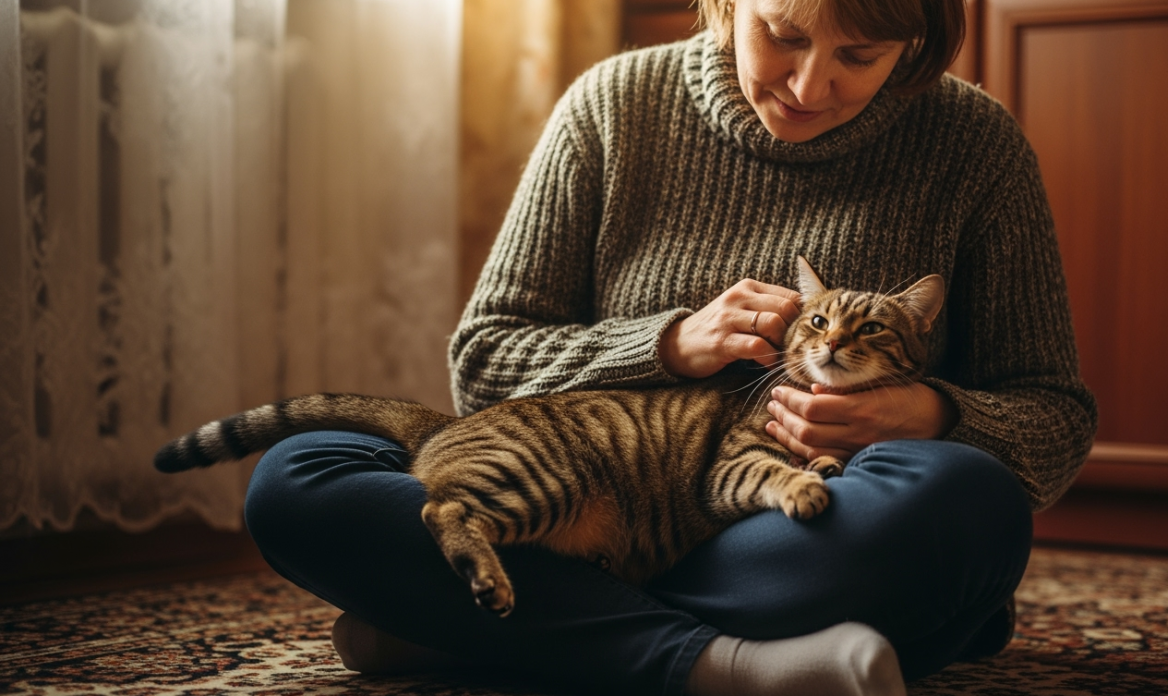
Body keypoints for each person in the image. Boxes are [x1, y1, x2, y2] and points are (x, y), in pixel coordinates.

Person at [243, 0, 1098, 694]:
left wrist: (931, 413)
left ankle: (472, 625)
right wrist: (667, 343)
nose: (811, 83)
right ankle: (721, 665)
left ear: (913, 41)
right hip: (580, 497)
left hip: (780, 534)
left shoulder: (975, 145)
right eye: (783, 36)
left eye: (861, 55)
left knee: (966, 502)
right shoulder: (612, 107)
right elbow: (484, 366)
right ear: (726, 4)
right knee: (297, 479)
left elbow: (1053, 419)